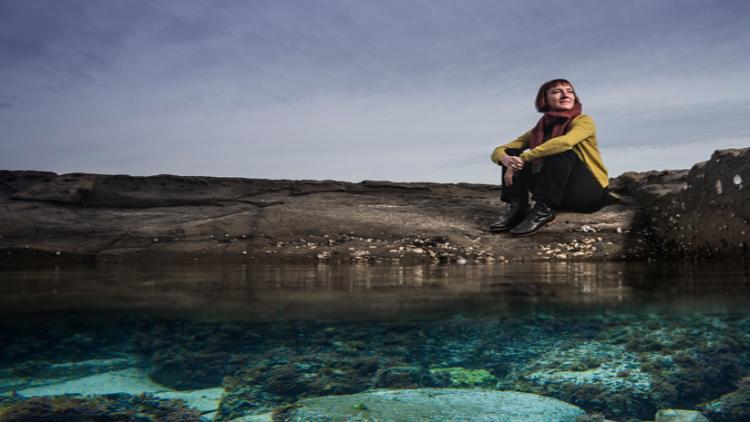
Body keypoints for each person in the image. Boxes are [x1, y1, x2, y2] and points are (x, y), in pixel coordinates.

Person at [488, 79, 609, 236]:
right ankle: (518, 208)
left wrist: (524, 158)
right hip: (558, 193)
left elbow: (565, 142)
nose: (566, 95)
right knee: (511, 153)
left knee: (558, 149)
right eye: (557, 91)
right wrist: (507, 160)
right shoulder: (539, 129)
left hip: (588, 194)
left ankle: (544, 210)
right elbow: (500, 149)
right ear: (544, 100)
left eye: (570, 91)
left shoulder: (584, 120)